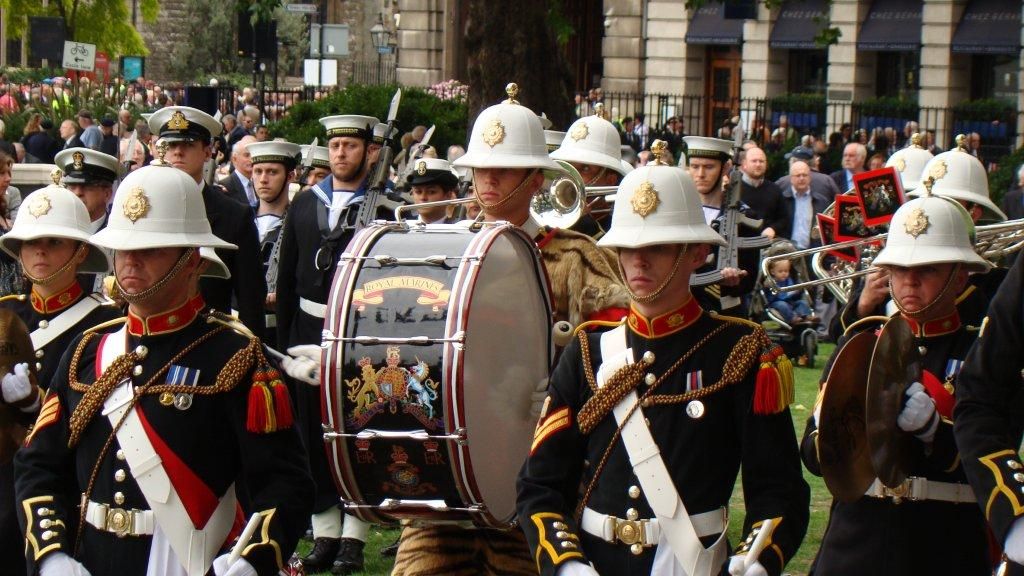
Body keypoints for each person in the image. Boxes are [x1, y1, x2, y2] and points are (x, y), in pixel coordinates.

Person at [517, 145, 810, 576]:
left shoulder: (739, 351)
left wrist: (758, 560)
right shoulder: (588, 352)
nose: (638, 259)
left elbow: (778, 489)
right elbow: (540, 483)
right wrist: (565, 565)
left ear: (696, 252)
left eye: (657, 246)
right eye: (627, 246)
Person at [14, 164, 314, 576]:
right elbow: (39, 465)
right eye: (123, 249)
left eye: (151, 249)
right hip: (90, 560)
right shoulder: (87, 349)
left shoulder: (236, 357)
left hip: (186, 560)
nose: (130, 262)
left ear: (191, 260)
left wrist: (250, 560)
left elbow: (285, 483)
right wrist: (51, 555)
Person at [379, 84, 630, 576]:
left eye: (505, 169)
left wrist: (566, 391)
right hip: (448, 474)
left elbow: (623, 355)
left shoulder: (576, 257)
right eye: (481, 169)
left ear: (536, 179)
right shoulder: (440, 250)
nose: (488, 180)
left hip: (539, 478)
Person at [801, 192, 994, 575]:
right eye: (899, 269)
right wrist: (831, 430)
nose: (910, 281)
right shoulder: (860, 344)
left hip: (942, 543)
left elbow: (994, 456)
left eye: (927, 269)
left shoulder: (982, 352)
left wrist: (937, 432)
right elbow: (811, 457)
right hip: (856, 541)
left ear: (960, 277)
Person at [276, 114, 381, 574]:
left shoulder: (383, 207)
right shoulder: (304, 203)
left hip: (357, 333)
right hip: (306, 329)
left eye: (350, 146)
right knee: (311, 431)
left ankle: (355, 537)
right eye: (335, 146)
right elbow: (286, 275)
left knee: (358, 429)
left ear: (369, 152)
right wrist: (285, 344)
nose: (340, 154)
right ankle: (324, 532)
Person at [0, 183, 121, 576]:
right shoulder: (5, 314)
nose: (39, 252)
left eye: (54, 242)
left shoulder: (106, 324)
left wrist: (35, 404)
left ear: (80, 251)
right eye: (30, 242)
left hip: (60, 484)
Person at [147, 106, 266, 339]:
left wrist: (250, 351)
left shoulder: (234, 215)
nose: (177, 152)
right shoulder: (144, 207)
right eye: (170, 145)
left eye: (188, 144)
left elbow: (251, 297)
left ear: (207, 151)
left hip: (210, 341)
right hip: (150, 337)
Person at [683, 135, 761, 317]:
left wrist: (733, 281)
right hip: (682, 309)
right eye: (694, 166)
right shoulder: (679, 211)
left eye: (709, 167)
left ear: (725, 168)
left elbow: (749, 279)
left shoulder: (744, 217)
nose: (700, 174)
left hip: (724, 313)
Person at [248, 140, 300, 349]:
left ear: (290, 176)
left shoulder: (299, 223)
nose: (263, 179)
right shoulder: (238, 218)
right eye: (258, 171)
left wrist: (286, 296)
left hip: (280, 335)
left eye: (272, 172)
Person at [550, 112, 633, 239]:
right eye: (566, 166)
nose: (570, 174)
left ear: (610, 180)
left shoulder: (621, 226)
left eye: (585, 168)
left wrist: (586, 225)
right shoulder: (549, 218)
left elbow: (610, 252)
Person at [738, 146, 786, 239]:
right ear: (744, 164)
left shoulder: (775, 189)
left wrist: (773, 229)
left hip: (768, 244)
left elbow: (784, 219)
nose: (758, 164)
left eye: (761, 161)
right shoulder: (734, 189)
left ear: (766, 164)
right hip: (739, 244)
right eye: (754, 161)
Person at [407, 157, 459, 224]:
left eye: (431, 192)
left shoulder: (459, 228)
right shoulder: (403, 227)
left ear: (448, 195)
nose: (423, 197)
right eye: (418, 192)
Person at [763, 258, 814, 324]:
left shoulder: (789, 279)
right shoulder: (770, 282)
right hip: (776, 302)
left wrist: (797, 290)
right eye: (780, 271)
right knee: (782, 305)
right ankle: (792, 318)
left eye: (786, 271)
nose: (784, 273)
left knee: (801, 303)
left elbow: (791, 289)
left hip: (790, 301)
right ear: (773, 272)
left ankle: (807, 316)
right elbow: (773, 295)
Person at [222, 135, 258, 207]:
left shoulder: (259, 183)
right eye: (247, 155)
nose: (252, 159)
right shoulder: (225, 187)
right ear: (234, 159)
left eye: (254, 155)